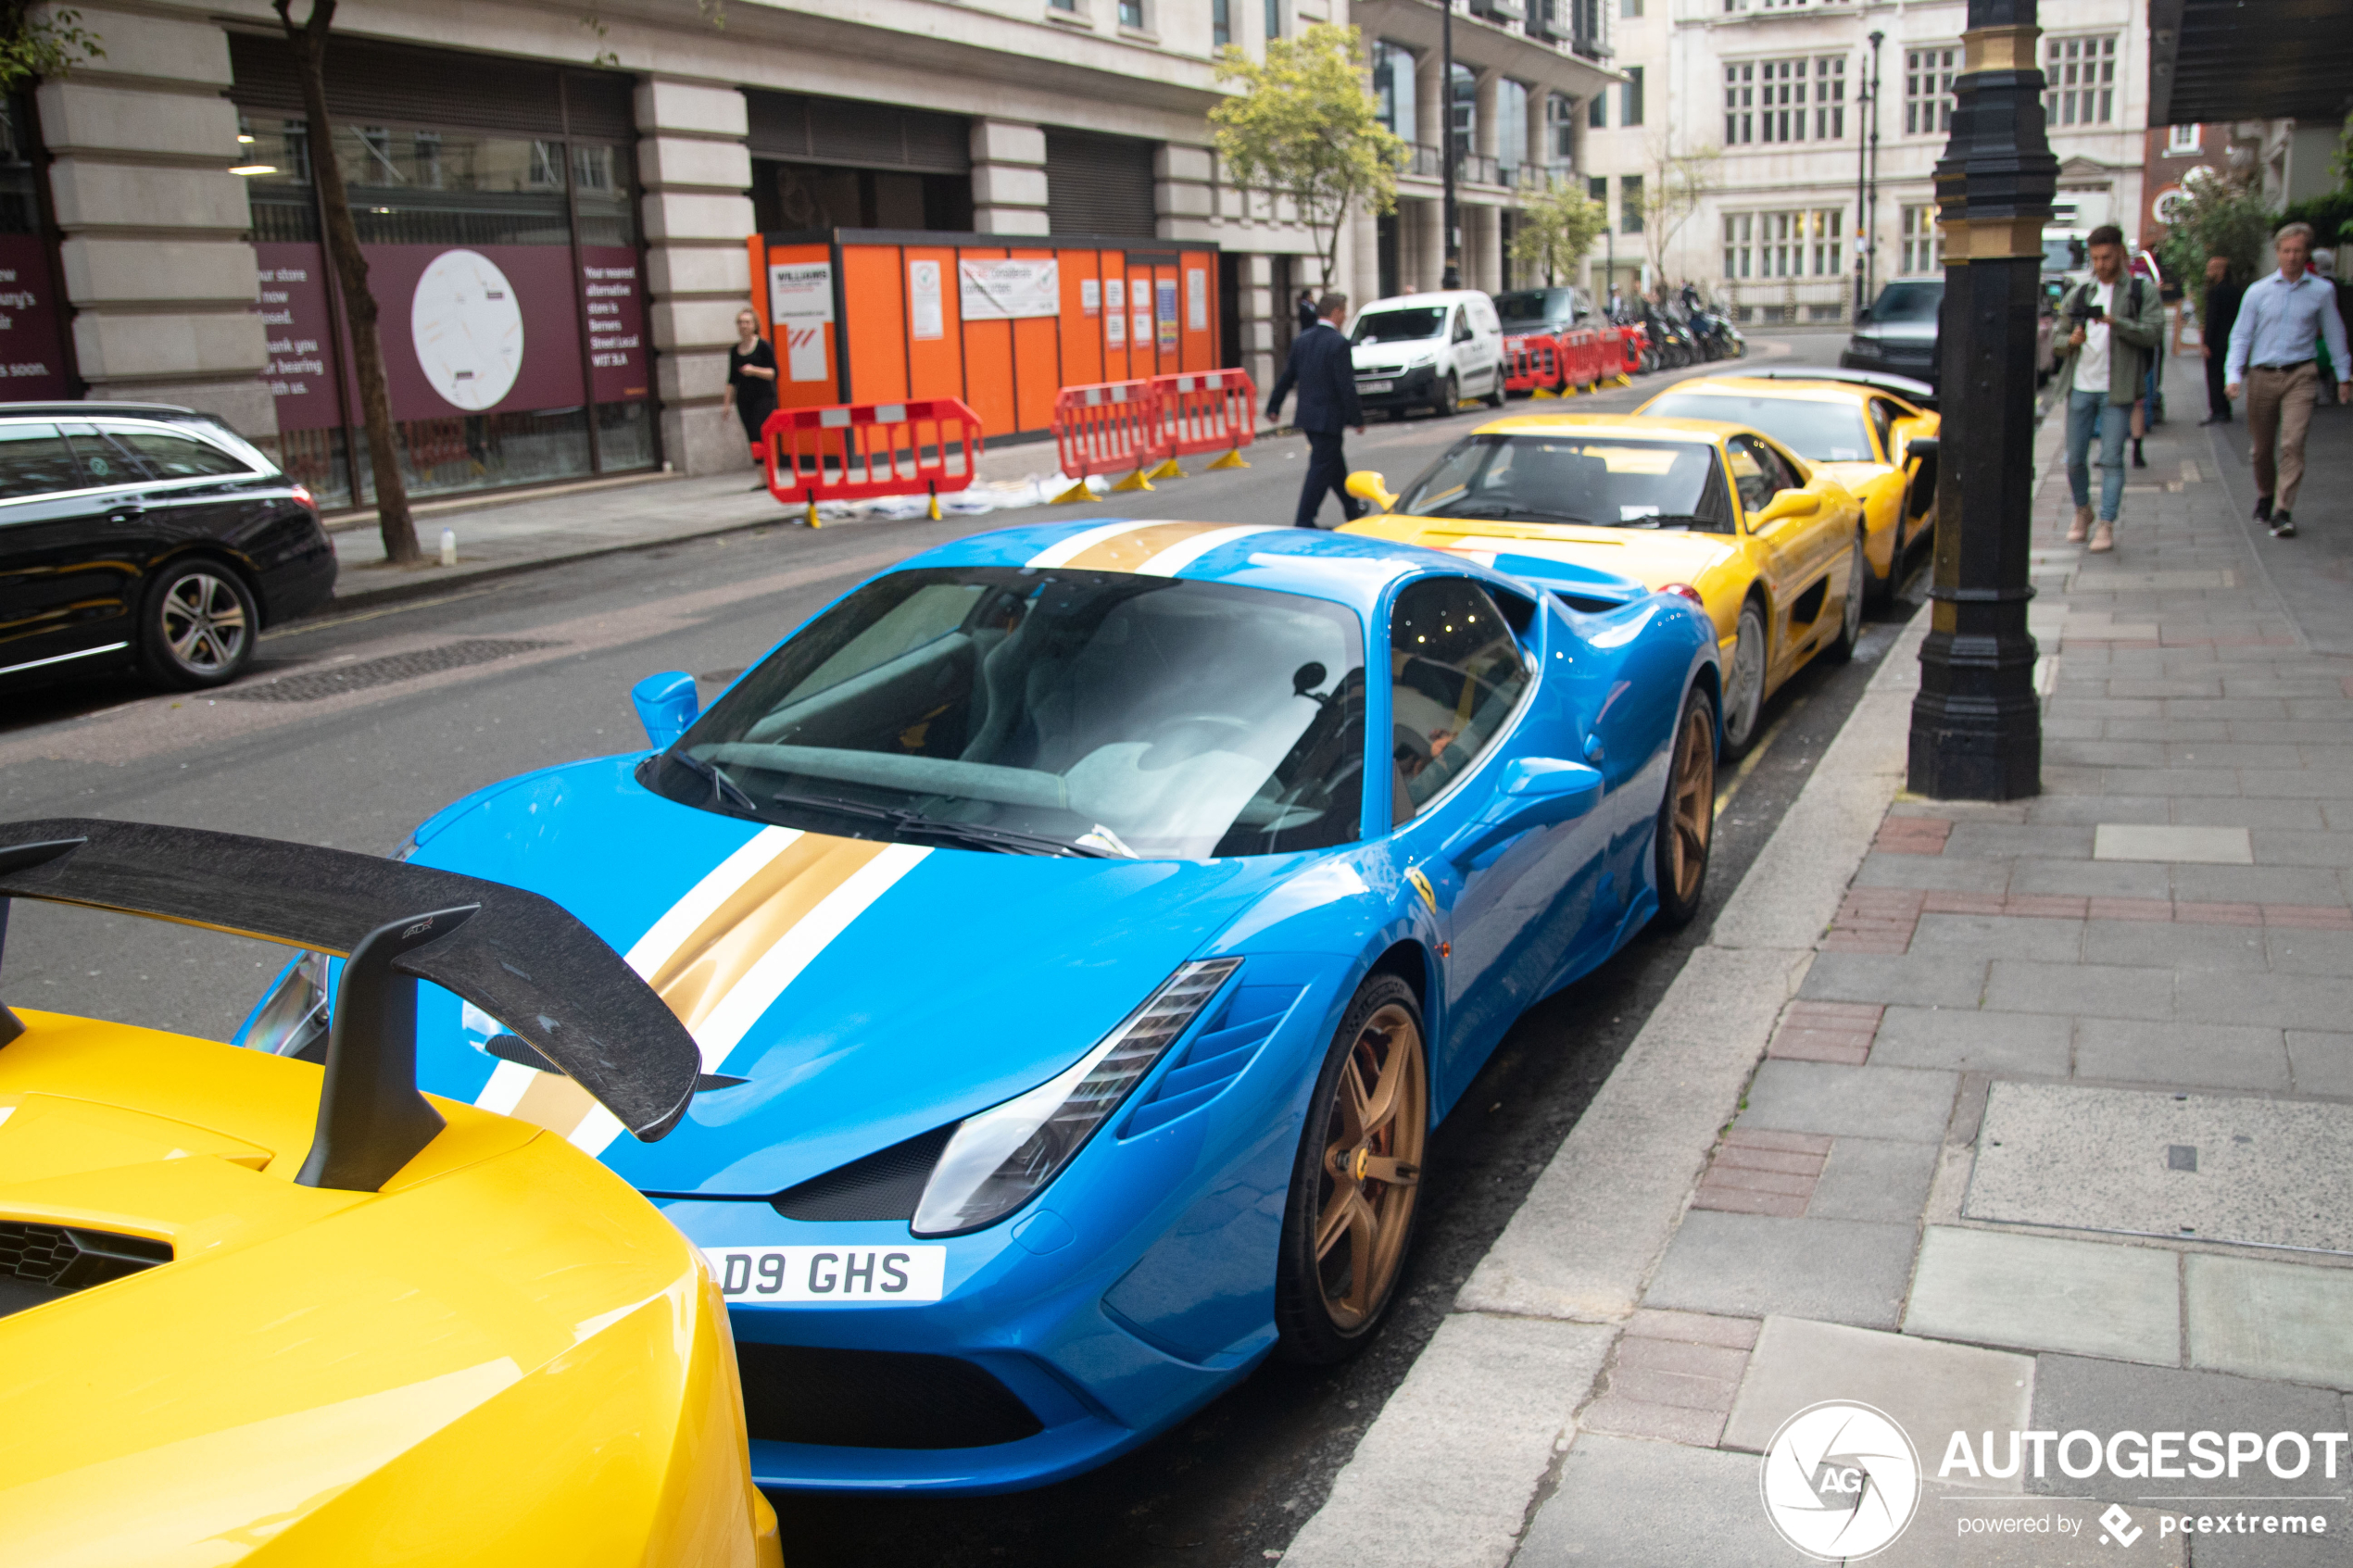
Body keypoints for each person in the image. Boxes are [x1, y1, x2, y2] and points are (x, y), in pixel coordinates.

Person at [2225, 221, 2352, 540]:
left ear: (2306, 253)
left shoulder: (2321, 291)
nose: (2292, 257)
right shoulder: (2258, 292)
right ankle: (2266, 493)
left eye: (2298, 251)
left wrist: (2343, 376)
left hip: (2301, 374)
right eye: (2286, 251)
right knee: (2261, 449)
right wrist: (2233, 373)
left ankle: (2283, 510)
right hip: (2263, 374)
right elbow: (2241, 334)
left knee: (2292, 443)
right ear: (2278, 253)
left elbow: (2335, 333)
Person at [2052, 224, 2166, 554]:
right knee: (2074, 459)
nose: (2101, 264)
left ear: (2121, 255)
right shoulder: (2080, 294)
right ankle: (2082, 510)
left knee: (2112, 459)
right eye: (2096, 258)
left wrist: (2118, 323)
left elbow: (2153, 333)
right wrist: (2069, 341)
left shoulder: (2140, 292)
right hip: (2081, 386)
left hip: (2116, 389)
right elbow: (2058, 338)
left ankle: (2106, 523)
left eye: (2107, 257)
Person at [1265, 292, 1365, 530]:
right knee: (1321, 468)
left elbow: (1287, 376)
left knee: (1333, 465)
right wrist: (1357, 418)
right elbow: (1346, 385)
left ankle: (1352, 509)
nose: (1344, 317)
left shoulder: (1303, 340)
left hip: (1309, 416)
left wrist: (1274, 405)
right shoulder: (1339, 343)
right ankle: (1304, 519)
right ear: (1336, 312)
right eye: (1344, 312)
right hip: (1329, 417)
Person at [723, 307, 777, 491]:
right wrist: (726, 404)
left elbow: (773, 372)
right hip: (744, 399)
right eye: (740, 322)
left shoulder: (763, 346)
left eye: (747, 322)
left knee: (761, 432)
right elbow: (732, 379)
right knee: (753, 437)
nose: (743, 326)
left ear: (754, 325)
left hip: (763, 397)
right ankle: (763, 478)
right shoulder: (734, 350)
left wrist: (753, 370)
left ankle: (772, 474)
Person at [2193, 252, 2244, 426]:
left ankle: (2217, 410)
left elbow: (2212, 318)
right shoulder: (2237, 290)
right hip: (2231, 338)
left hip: (2216, 340)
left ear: (2220, 270)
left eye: (2211, 268)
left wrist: (2206, 342)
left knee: (2214, 375)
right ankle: (2225, 408)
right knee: (2224, 373)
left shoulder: (2215, 292)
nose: (2208, 271)